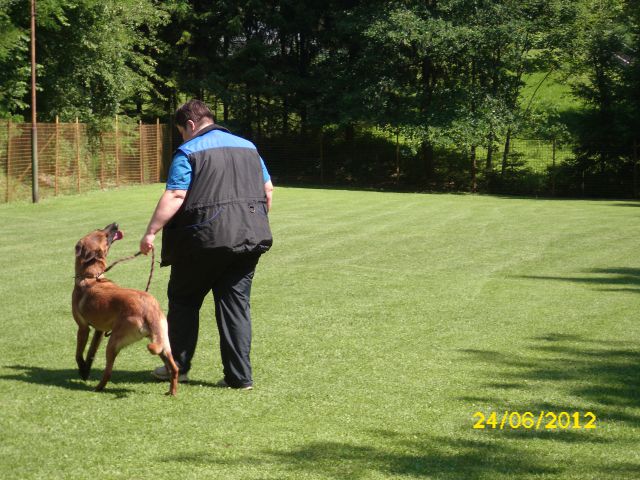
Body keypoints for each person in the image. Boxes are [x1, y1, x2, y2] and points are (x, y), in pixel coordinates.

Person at [140, 99, 273, 390]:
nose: (183, 137)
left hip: (202, 241)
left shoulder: (188, 150)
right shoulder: (248, 147)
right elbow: (268, 190)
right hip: (249, 239)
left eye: (181, 131)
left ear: (190, 125)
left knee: (184, 301)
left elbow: (176, 194)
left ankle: (177, 368)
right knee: (235, 306)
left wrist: (151, 231)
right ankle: (239, 378)